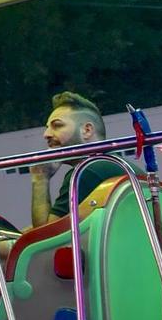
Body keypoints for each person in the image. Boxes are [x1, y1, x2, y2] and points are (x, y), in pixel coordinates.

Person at [30, 91, 127, 226]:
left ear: (87, 130)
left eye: (57, 125)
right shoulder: (111, 164)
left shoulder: (85, 171)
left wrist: (40, 179)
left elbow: (45, 237)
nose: (46, 134)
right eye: (47, 128)